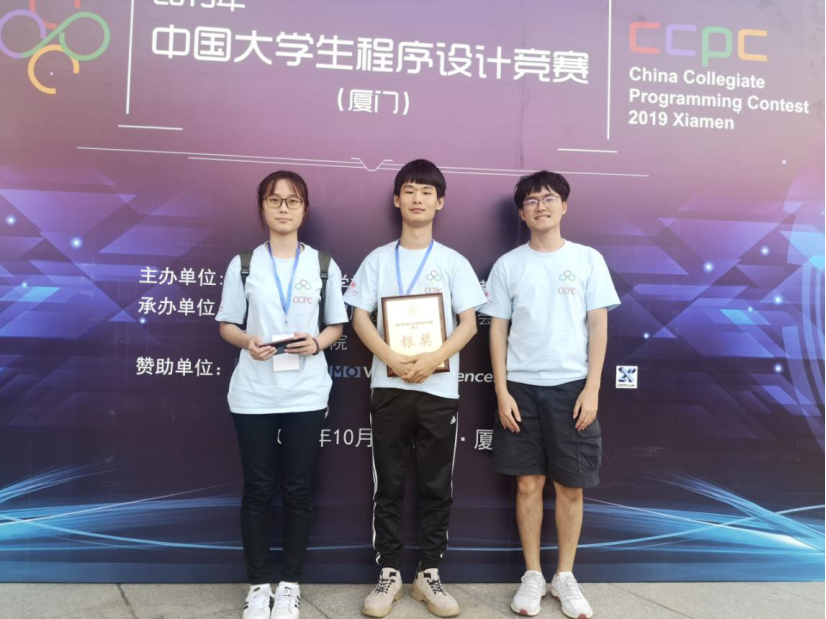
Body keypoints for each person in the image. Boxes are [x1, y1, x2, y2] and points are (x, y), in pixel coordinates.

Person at [344, 159, 486, 618]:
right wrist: (389, 356)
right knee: (388, 483)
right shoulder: (377, 259)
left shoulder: (453, 262)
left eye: (427, 192)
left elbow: (469, 323)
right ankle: (389, 572)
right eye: (409, 190)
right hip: (388, 386)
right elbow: (359, 317)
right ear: (396, 199)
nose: (418, 198)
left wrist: (431, 358)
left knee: (436, 484)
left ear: (440, 202)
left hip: (438, 388)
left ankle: (428, 573)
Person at [480, 171, 620, 618]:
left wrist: (592, 388)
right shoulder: (508, 265)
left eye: (550, 198)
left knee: (570, 487)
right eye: (532, 201)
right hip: (521, 387)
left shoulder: (587, 260)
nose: (541, 206)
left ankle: (565, 576)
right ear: (522, 213)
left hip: (572, 387)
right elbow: (497, 330)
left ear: (564, 206)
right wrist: (501, 390)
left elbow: (598, 326)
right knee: (527, 484)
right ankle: (532, 575)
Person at [216, 171, 348, 619]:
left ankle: (290, 585)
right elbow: (227, 324)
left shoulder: (323, 265)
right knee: (257, 490)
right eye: (274, 200)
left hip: (306, 393)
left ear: (305, 210)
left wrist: (317, 343)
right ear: (262, 208)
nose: (284, 208)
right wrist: (247, 341)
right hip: (254, 393)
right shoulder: (245, 264)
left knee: (297, 489)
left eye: (293, 201)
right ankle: (258, 587)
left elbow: (336, 325)